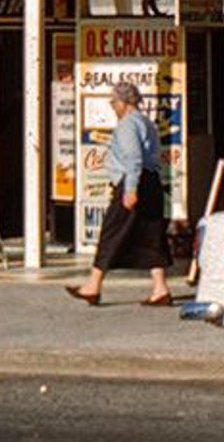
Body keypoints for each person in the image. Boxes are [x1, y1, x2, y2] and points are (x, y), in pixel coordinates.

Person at [69, 81, 170, 308]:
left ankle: (93, 285)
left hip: (133, 182)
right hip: (152, 181)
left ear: (123, 102)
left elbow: (133, 158)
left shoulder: (127, 125)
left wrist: (131, 189)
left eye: (113, 102)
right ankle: (160, 288)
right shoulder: (147, 123)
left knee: (112, 231)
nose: (113, 106)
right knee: (151, 235)